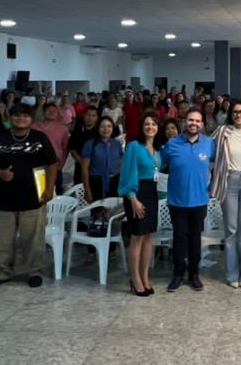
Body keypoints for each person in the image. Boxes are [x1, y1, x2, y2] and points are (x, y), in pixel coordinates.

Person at [0, 104, 58, 289]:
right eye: (17, 115)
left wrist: (49, 188)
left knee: (33, 239)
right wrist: (0, 173)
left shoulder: (40, 138)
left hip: (34, 197)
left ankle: (34, 271)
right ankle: (2, 272)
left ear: (31, 119)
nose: (21, 119)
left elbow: (52, 163)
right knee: (1, 240)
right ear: (10, 117)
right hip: (4, 197)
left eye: (25, 116)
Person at [160, 108, 215, 292]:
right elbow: (161, 163)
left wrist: (212, 187)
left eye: (197, 121)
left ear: (202, 124)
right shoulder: (172, 143)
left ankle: (194, 274)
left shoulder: (209, 144)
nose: (194, 124)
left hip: (199, 200)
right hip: (177, 201)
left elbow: (217, 164)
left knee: (195, 238)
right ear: (185, 122)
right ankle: (178, 273)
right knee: (179, 237)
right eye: (191, 120)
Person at [211, 101, 241, 289]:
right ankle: (232, 274)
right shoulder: (223, 131)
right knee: (231, 230)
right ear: (231, 114)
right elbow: (206, 144)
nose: (239, 115)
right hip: (230, 181)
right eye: (235, 112)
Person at [119, 113, 160, 296]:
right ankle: (134, 278)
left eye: (153, 124)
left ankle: (145, 276)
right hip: (136, 193)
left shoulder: (157, 150)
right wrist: (133, 198)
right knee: (137, 236)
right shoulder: (134, 147)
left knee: (149, 236)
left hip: (152, 193)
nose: (150, 127)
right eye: (147, 124)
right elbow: (127, 174)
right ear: (142, 127)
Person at [80, 115, 123, 203]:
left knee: (113, 209)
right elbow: (84, 169)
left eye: (109, 126)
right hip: (96, 183)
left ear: (113, 128)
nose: (106, 129)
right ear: (98, 128)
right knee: (98, 209)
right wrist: (87, 189)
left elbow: (120, 162)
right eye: (102, 126)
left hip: (114, 182)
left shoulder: (117, 143)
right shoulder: (90, 144)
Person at [32, 103, 72, 194]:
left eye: (54, 111)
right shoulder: (34, 127)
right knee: (39, 191)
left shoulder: (63, 129)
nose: (51, 112)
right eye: (49, 110)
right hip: (38, 164)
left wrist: (62, 164)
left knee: (57, 190)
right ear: (44, 112)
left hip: (55, 164)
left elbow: (66, 148)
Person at [68, 105, 100, 186]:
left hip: (96, 168)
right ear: (84, 115)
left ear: (97, 118)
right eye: (88, 115)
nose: (90, 118)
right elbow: (72, 148)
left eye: (93, 116)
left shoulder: (100, 132)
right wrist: (82, 163)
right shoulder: (77, 129)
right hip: (80, 167)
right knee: (79, 188)